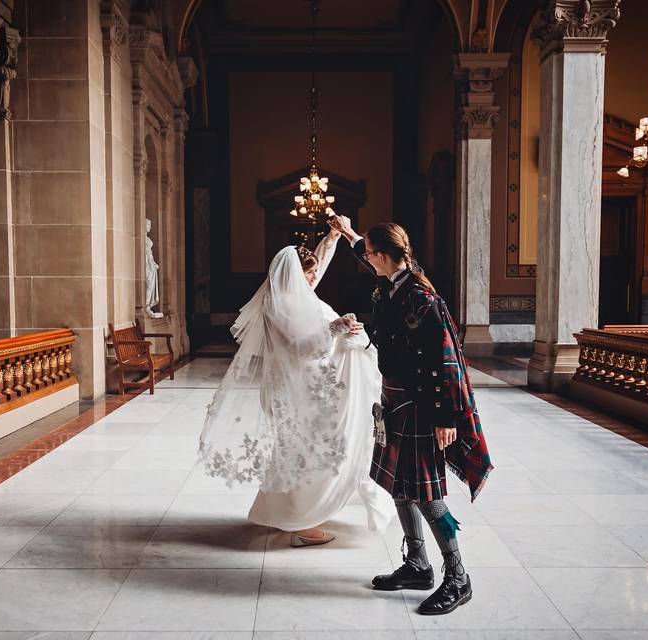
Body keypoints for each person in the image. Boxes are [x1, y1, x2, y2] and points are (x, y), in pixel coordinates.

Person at [328, 214, 493, 616]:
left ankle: (458, 577)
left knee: (426, 493)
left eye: (370, 254)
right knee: (400, 485)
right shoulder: (394, 283)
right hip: (395, 400)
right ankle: (418, 565)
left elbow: (445, 360)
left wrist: (446, 419)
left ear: (384, 255)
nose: (367, 260)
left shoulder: (420, 297)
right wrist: (350, 234)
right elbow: (373, 267)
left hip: (423, 408)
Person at [199, 229, 393, 547]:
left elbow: (313, 317)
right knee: (309, 451)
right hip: (297, 390)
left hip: (309, 385)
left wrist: (330, 241)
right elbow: (298, 346)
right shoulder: (280, 306)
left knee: (303, 451)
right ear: (294, 273)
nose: (314, 276)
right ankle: (302, 525)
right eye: (310, 271)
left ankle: (287, 512)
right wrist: (335, 328)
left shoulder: (297, 297)